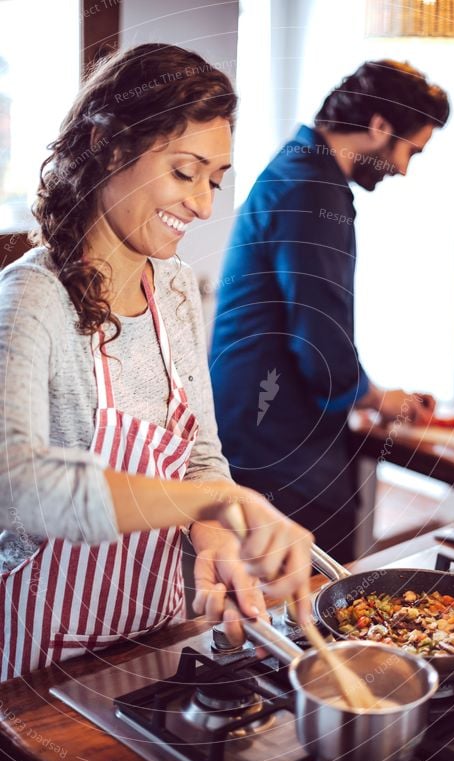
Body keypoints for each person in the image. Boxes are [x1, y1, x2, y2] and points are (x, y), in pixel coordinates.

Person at [0, 43, 312, 683]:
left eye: (215, 179)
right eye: (184, 171)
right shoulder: (29, 298)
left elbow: (198, 450)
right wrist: (220, 501)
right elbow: (21, 488)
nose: (202, 204)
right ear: (109, 147)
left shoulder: (171, 287)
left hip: (150, 633)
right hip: (37, 661)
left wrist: (215, 534)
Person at [210, 60, 450, 563]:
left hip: (252, 414)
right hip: (276, 428)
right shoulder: (313, 187)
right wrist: (377, 396)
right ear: (380, 127)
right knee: (315, 568)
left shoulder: (299, 166)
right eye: (411, 150)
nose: (405, 168)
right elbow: (318, 332)